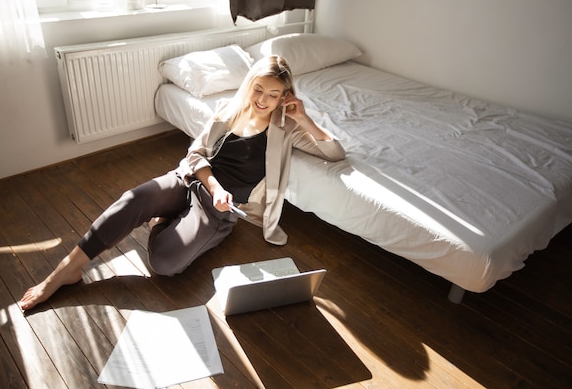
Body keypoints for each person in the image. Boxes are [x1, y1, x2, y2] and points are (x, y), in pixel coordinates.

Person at [19, 55, 345, 311]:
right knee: (132, 200)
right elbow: (194, 154)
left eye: (273, 95)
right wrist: (213, 183)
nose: (263, 99)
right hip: (189, 180)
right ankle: (67, 269)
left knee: (164, 264)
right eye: (258, 89)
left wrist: (303, 117)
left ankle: (163, 221)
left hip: (218, 208)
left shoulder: (286, 127)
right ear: (250, 84)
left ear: (284, 97)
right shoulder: (227, 111)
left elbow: (334, 152)